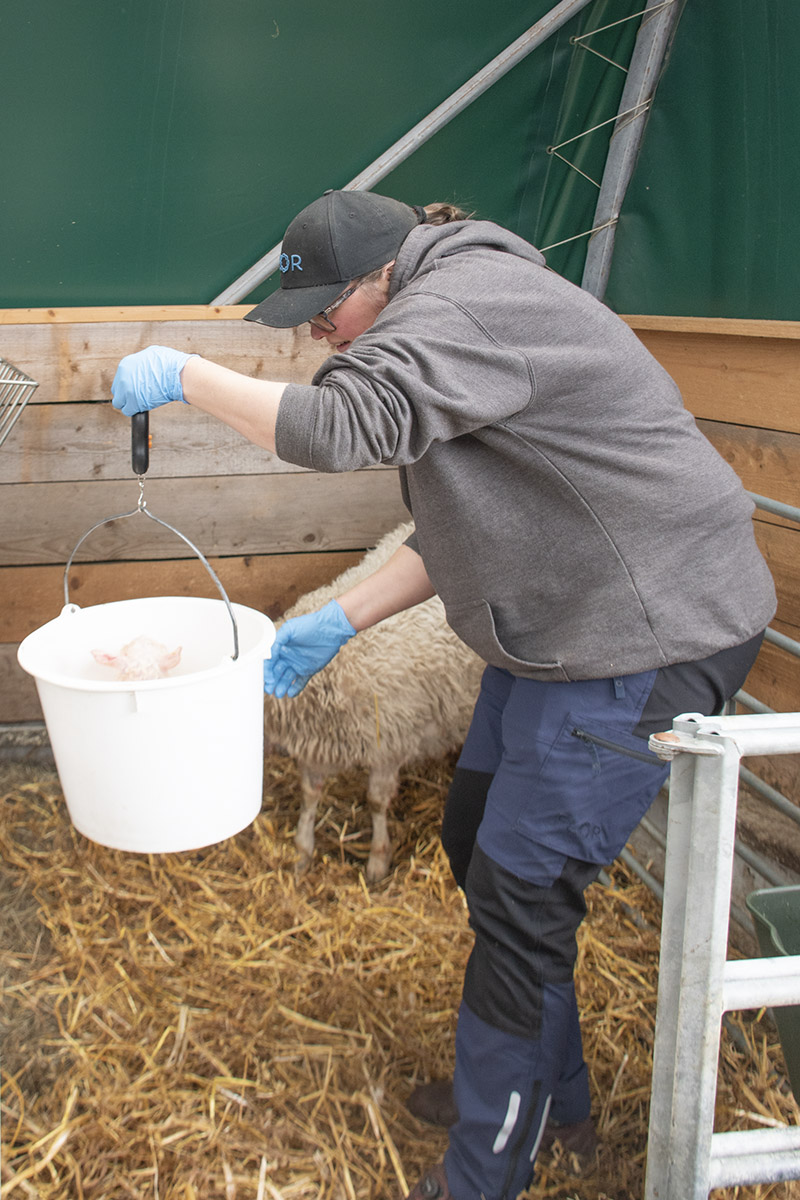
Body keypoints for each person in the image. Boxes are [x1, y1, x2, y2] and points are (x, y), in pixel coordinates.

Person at [111, 189, 776, 1200]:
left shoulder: (463, 303)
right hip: (572, 618)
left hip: (648, 628)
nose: (319, 335)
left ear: (382, 272)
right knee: (475, 842)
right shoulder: (446, 309)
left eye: (327, 311)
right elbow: (472, 522)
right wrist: (344, 619)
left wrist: (183, 374)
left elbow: (339, 426)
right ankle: (541, 1099)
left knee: (520, 888)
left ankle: (485, 1170)